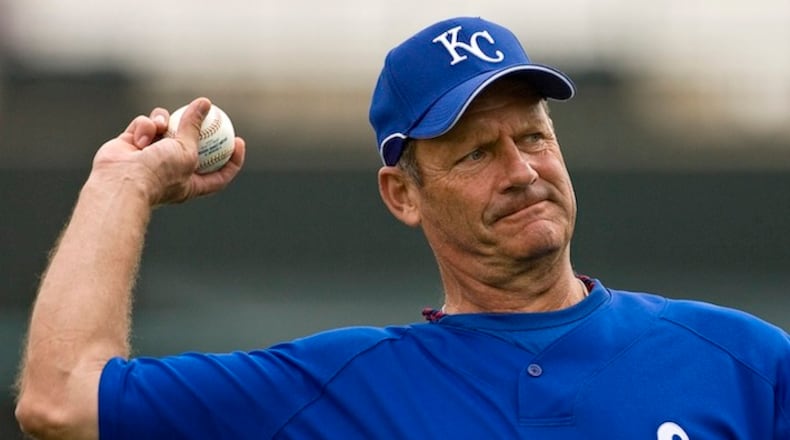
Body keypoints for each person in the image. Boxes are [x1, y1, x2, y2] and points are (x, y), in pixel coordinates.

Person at [14, 16, 789, 440]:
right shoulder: (332, 392)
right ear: (402, 194)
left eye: (534, 136)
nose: (520, 170)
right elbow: (60, 401)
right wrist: (123, 182)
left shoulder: (745, 363)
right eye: (477, 151)